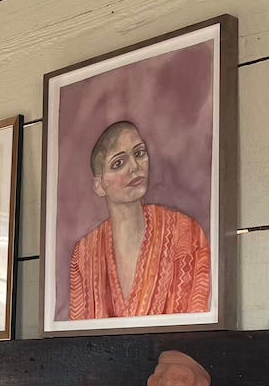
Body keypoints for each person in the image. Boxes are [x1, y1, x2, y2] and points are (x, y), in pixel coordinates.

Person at [68, 121, 211, 320]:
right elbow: (77, 330)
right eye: (118, 163)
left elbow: (199, 321)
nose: (134, 167)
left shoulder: (187, 234)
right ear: (99, 186)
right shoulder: (84, 255)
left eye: (139, 153)